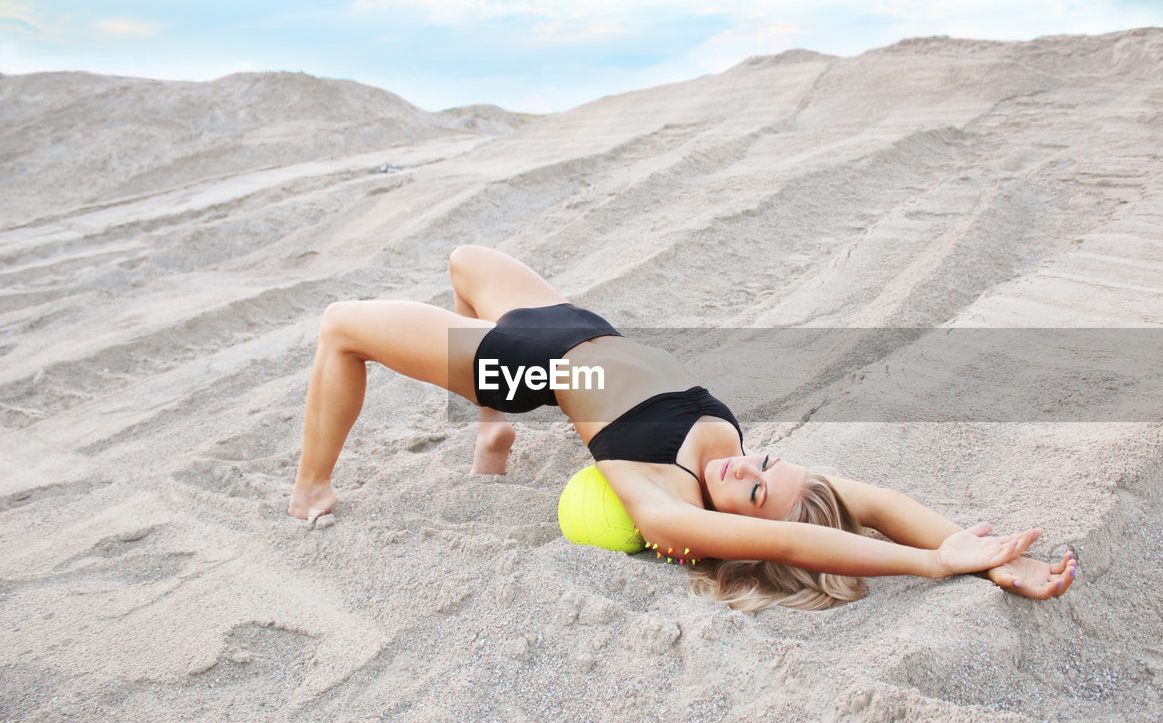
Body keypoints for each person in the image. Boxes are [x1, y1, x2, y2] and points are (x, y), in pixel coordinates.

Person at [289, 245, 1076, 609]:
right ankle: (491, 435)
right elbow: (873, 498)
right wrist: (978, 554)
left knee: (341, 326)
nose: (747, 465)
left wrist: (935, 568)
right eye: (767, 459)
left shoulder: (663, 499)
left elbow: (800, 543)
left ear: (733, 534)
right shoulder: (731, 458)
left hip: (525, 360)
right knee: (466, 260)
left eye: (754, 492)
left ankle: (309, 492)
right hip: (579, 323)